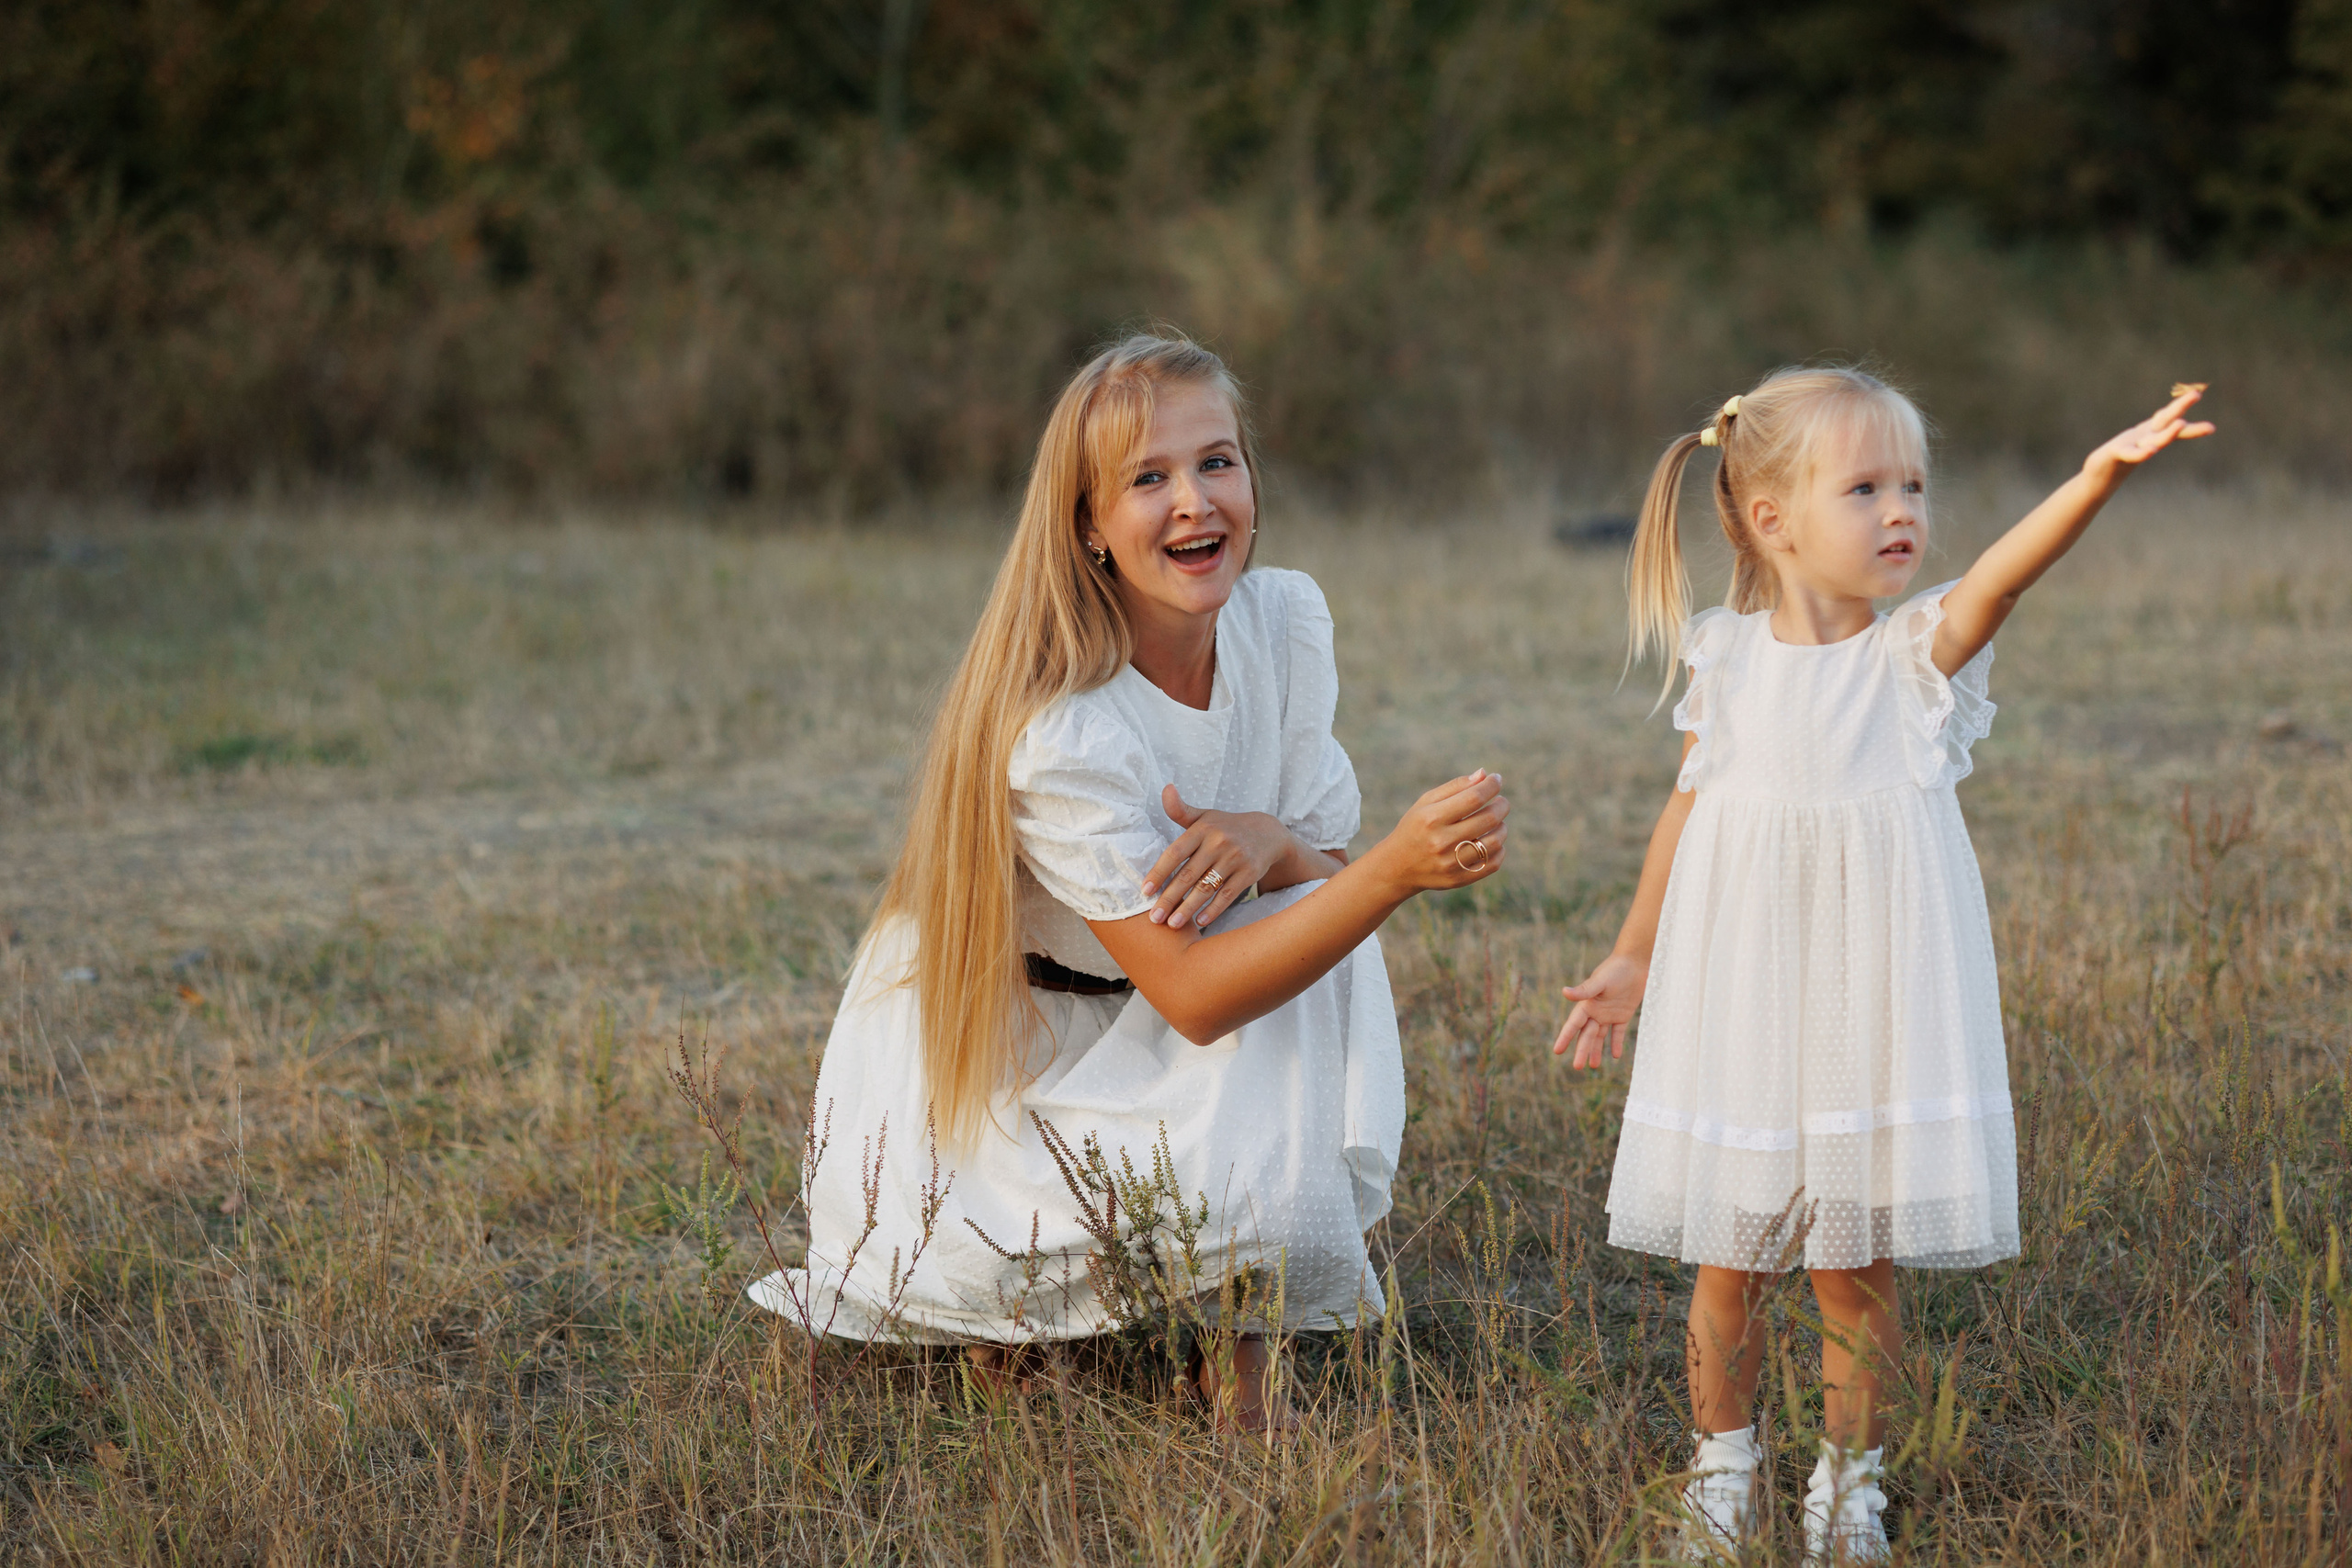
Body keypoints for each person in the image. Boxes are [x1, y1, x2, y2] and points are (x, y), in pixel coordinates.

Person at [750, 332, 1510, 1430]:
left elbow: (1316, 880)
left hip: (1159, 1019)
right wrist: (1393, 870)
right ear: (1088, 527)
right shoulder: (1067, 727)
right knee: (1330, 919)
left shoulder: (1280, 623)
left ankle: (1242, 1363)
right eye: (1147, 479)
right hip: (1019, 1062)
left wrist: (1268, 839)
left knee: (1316, 921)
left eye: (1217, 462)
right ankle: (1011, 1294)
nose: (1194, 501)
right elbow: (1198, 997)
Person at [1555, 368, 2211, 1560]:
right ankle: (1723, 1459)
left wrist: (2095, 476)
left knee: (1851, 1269)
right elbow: (1685, 810)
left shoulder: (1919, 654)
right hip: (1744, 993)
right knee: (1731, 1256)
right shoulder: (1729, 656)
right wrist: (1631, 954)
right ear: (1772, 517)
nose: (1901, 507)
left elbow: (2008, 571)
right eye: (1864, 486)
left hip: (1868, 995)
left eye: (1913, 482)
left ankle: (1846, 1477)